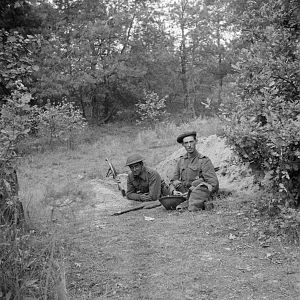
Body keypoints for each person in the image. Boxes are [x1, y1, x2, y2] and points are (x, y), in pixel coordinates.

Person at [170, 131, 219, 211]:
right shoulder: (181, 161)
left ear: (196, 142)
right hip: (183, 194)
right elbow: (173, 180)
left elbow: (213, 184)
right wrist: (173, 191)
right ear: (183, 145)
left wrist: (194, 189)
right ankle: (186, 203)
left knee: (199, 190)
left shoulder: (204, 160)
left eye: (191, 142)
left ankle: (189, 204)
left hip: (197, 193)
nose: (189, 145)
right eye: (186, 143)